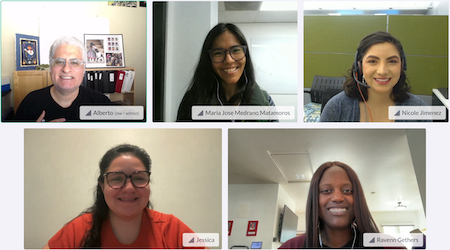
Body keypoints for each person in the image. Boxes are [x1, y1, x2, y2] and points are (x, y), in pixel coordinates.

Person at [43, 144, 199, 248]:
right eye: (117, 178)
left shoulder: (172, 228)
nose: (129, 188)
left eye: (139, 178)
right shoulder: (80, 229)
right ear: (102, 186)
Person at [176, 23, 277, 122]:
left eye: (236, 50)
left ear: (245, 55)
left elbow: (274, 138)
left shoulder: (265, 101)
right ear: (208, 60)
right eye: (218, 53)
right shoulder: (192, 101)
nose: (229, 60)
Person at [320, 31, 427, 122]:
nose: (382, 71)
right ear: (360, 66)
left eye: (392, 61)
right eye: (372, 61)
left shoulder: (418, 108)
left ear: (402, 66)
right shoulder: (337, 107)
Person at [279, 161, 379, 248]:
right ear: (315, 200)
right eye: (326, 190)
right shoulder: (292, 247)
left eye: (347, 190)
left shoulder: (385, 245)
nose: (337, 198)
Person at [14, 36, 111, 122]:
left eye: (74, 62)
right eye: (59, 62)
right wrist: (34, 134)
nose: (66, 69)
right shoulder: (30, 103)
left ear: (83, 69)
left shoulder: (102, 104)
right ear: (51, 67)